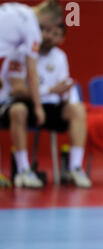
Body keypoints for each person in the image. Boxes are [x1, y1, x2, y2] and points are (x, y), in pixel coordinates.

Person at [0, 23, 91, 188]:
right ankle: (23, 170)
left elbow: (61, 88)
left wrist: (66, 92)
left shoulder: (60, 56)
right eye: (46, 31)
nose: (50, 36)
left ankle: (75, 168)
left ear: (62, 38)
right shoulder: (20, 53)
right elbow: (18, 90)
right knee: (18, 110)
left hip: (48, 106)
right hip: (20, 104)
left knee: (77, 109)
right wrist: (50, 90)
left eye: (56, 34)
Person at [0, 0, 63, 130]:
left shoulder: (15, 7)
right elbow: (31, 71)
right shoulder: (33, 30)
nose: (49, 29)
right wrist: (38, 107)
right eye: (51, 26)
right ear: (47, 18)